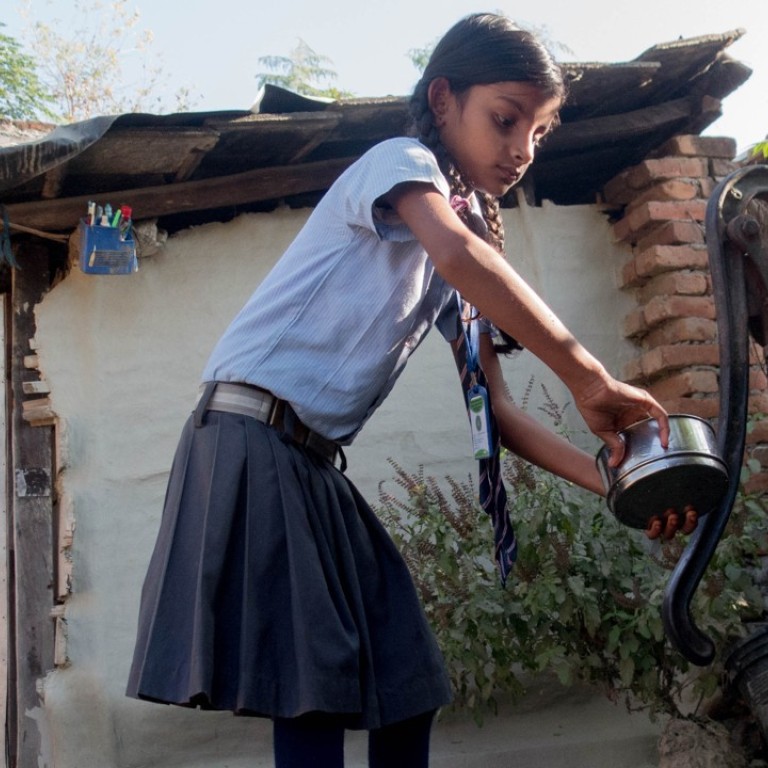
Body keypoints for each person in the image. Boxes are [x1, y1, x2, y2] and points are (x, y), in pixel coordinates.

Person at [126, 12, 696, 767]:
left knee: (406, 676)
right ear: (443, 100)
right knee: (315, 683)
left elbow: (497, 410)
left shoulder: (448, 258)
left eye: (539, 131)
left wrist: (620, 483)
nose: (523, 148)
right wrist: (589, 378)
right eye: (505, 119)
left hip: (311, 463)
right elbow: (461, 252)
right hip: (251, 437)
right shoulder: (397, 165)